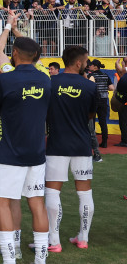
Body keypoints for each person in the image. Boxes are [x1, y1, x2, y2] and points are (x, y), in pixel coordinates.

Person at [0, 35, 52, 264]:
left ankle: (9, 263)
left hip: (10, 152)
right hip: (36, 151)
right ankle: (41, 262)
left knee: (2, 202)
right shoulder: (45, 80)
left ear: (14, 53)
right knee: (36, 203)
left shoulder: (5, 79)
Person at [45, 45, 98, 252]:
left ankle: (54, 241)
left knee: (52, 191)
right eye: (85, 61)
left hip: (57, 143)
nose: (87, 64)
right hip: (81, 143)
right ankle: (83, 238)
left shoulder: (51, 83)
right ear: (78, 63)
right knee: (85, 192)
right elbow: (91, 115)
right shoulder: (90, 86)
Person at [87, 60, 113, 148]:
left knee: (91, 122)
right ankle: (104, 142)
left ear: (95, 67)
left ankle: (92, 143)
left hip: (94, 101)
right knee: (103, 122)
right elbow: (111, 88)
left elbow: (89, 86)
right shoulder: (105, 75)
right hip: (103, 100)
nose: (89, 66)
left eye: (90, 65)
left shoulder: (91, 75)